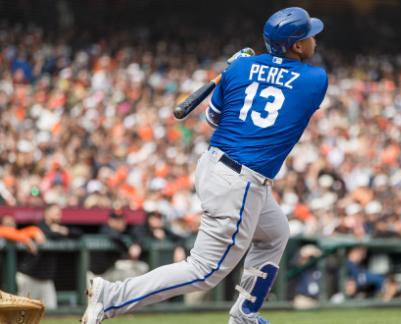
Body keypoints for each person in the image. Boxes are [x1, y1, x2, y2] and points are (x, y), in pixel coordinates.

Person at [82, 7, 328, 324]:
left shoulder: (240, 69)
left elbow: (213, 118)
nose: (314, 40)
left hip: (215, 166)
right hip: (240, 180)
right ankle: (110, 297)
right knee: (204, 270)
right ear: (296, 46)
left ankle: (244, 314)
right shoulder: (315, 78)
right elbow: (282, 84)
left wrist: (236, 72)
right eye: (309, 36)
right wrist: (247, 69)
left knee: (275, 233)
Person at [17, 204, 82, 309]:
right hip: (30, 277)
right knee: (23, 314)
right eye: (55, 212)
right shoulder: (38, 228)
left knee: (52, 313)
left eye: (59, 213)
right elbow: (47, 234)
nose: (58, 215)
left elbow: (78, 234)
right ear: (46, 213)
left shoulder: (58, 228)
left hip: (46, 280)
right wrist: (57, 232)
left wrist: (62, 230)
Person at [89, 210, 148, 283]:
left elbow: (137, 232)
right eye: (116, 220)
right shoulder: (105, 229)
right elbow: (114, 236)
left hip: (108, 272)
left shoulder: (123, 231)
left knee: (141, 267)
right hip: (95, 275)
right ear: (110, 221)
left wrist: (137, 244)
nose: (120, 222)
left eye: (122, 220)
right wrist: (128, 249)